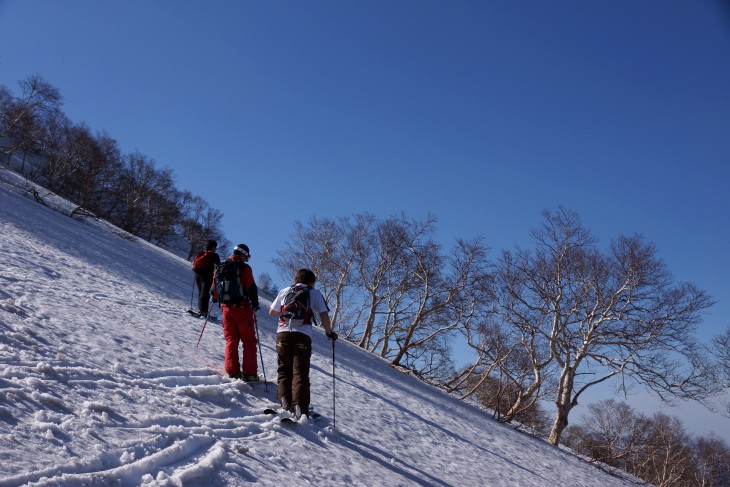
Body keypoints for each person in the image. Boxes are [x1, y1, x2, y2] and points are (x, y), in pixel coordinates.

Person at [268, 268, 338, 419]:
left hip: (282, 334)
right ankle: (300, 406)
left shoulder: (285, 291)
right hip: (302, 335)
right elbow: (323, 314)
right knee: (300, 372)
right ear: (311, 281)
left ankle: (285, 401)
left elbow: (272, 312)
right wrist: (329, 332)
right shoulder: (314, 293)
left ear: (296, 279)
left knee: (284, 369)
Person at [212, 243, 260, 381]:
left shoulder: (220, 267)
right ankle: (250, 374)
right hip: (243, 309)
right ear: (243, 254)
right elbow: (251, 288)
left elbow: (214, 289)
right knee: (249, 341)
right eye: (247, 256)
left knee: (231, 340)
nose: (247, 259)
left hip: (226, 310)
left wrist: (216, 298)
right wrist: (255, 306)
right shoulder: (245, 268)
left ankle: (232, 371)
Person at [192, 239, 221, 317]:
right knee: (204, 293)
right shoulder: (214, 255)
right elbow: (219, 266)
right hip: (207, 276)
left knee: (201, 293)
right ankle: (203, 311)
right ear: (213, 247)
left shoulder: (201, 253)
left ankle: (201, 310)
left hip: (198, 275)